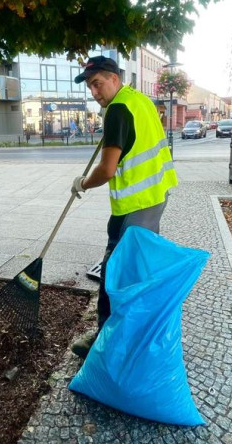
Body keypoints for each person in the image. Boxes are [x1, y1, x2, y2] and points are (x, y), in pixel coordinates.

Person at [69, 55, 178, 358]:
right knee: (131, 269)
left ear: (114, 79)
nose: (94, 92)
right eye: (90, 86)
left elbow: (106, 170)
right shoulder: (138, 100)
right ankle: (130, 333)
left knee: (114, 273)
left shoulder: (117, 110)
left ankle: (107, 340)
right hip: (155, 197)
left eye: (97, 83)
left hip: (135, 207)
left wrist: (82, 183)